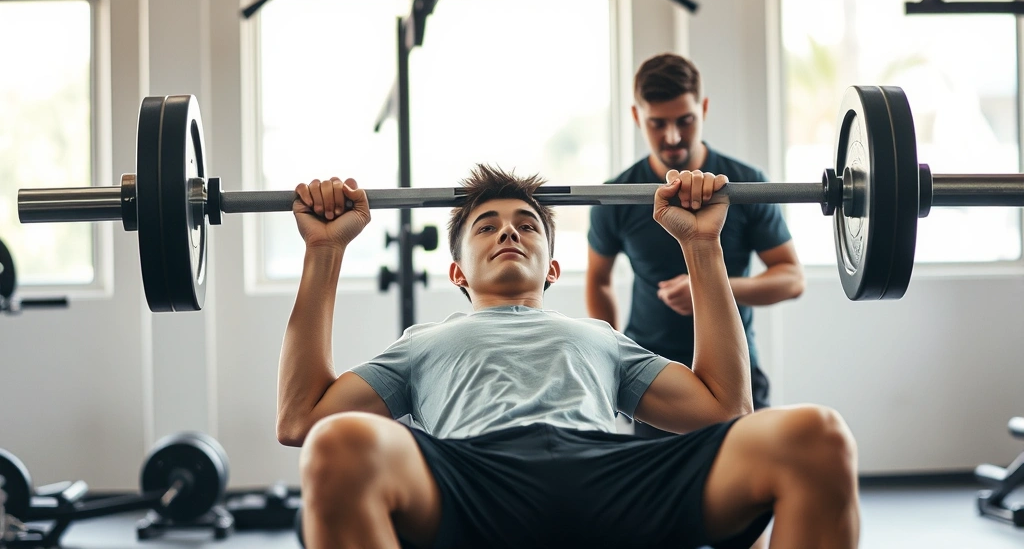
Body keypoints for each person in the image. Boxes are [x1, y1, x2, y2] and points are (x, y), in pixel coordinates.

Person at [278, 164, 858, 549]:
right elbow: (302, 418)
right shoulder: (422, 341)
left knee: (815, 437)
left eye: (527, 225)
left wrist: (701, 246)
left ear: (552, 268)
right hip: (474, 478)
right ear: (457, 271)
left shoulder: (599, 335)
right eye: (487, 227)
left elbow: (726, 409)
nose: (509, 233)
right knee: (337, 447)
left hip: (608, 472)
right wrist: (323, 253)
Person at [587, 53, 804, 439]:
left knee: (746, 496)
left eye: (684, 120)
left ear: (703, 109)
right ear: (637, 117)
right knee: (661, 499)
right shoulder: (618, 194)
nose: (672, 136)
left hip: (737, 372)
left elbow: (791, 279)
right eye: (657, 123)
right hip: (652, 377)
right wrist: (610, 361)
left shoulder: (746, 183)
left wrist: (708, 287)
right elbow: (599, 280)